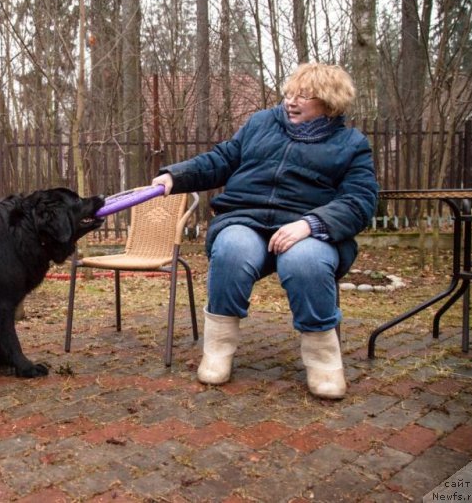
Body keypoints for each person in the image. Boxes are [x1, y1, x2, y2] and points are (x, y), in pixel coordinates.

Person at [152, 62, 378, 399]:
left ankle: (323, 361)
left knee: (306, 262)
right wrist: (176, 176)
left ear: (329, 103)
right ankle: (218, 351)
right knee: (232, 250)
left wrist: (310, 224)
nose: (291, 101)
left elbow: (360, 200)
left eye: (304, 96)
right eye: (289, 93)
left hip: (308, 227)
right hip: (245, 217)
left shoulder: (351, 144)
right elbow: (221, 160)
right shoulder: (261, 123)